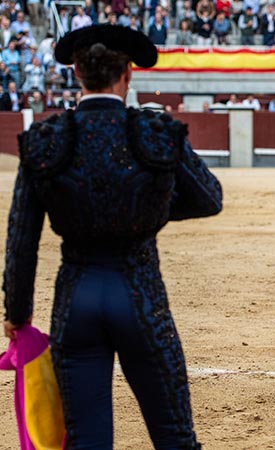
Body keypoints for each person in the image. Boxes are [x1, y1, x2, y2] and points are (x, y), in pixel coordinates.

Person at [2, 24, 222, 449]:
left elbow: (21, 238)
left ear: (77, 74)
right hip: (140, 295)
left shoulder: (46, 140)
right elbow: (208, 198)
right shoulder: (155, 132)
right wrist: (149, 209)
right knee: (175, 436)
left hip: (76, 298)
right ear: (128, 74)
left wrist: (17, 313)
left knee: (87, 441)